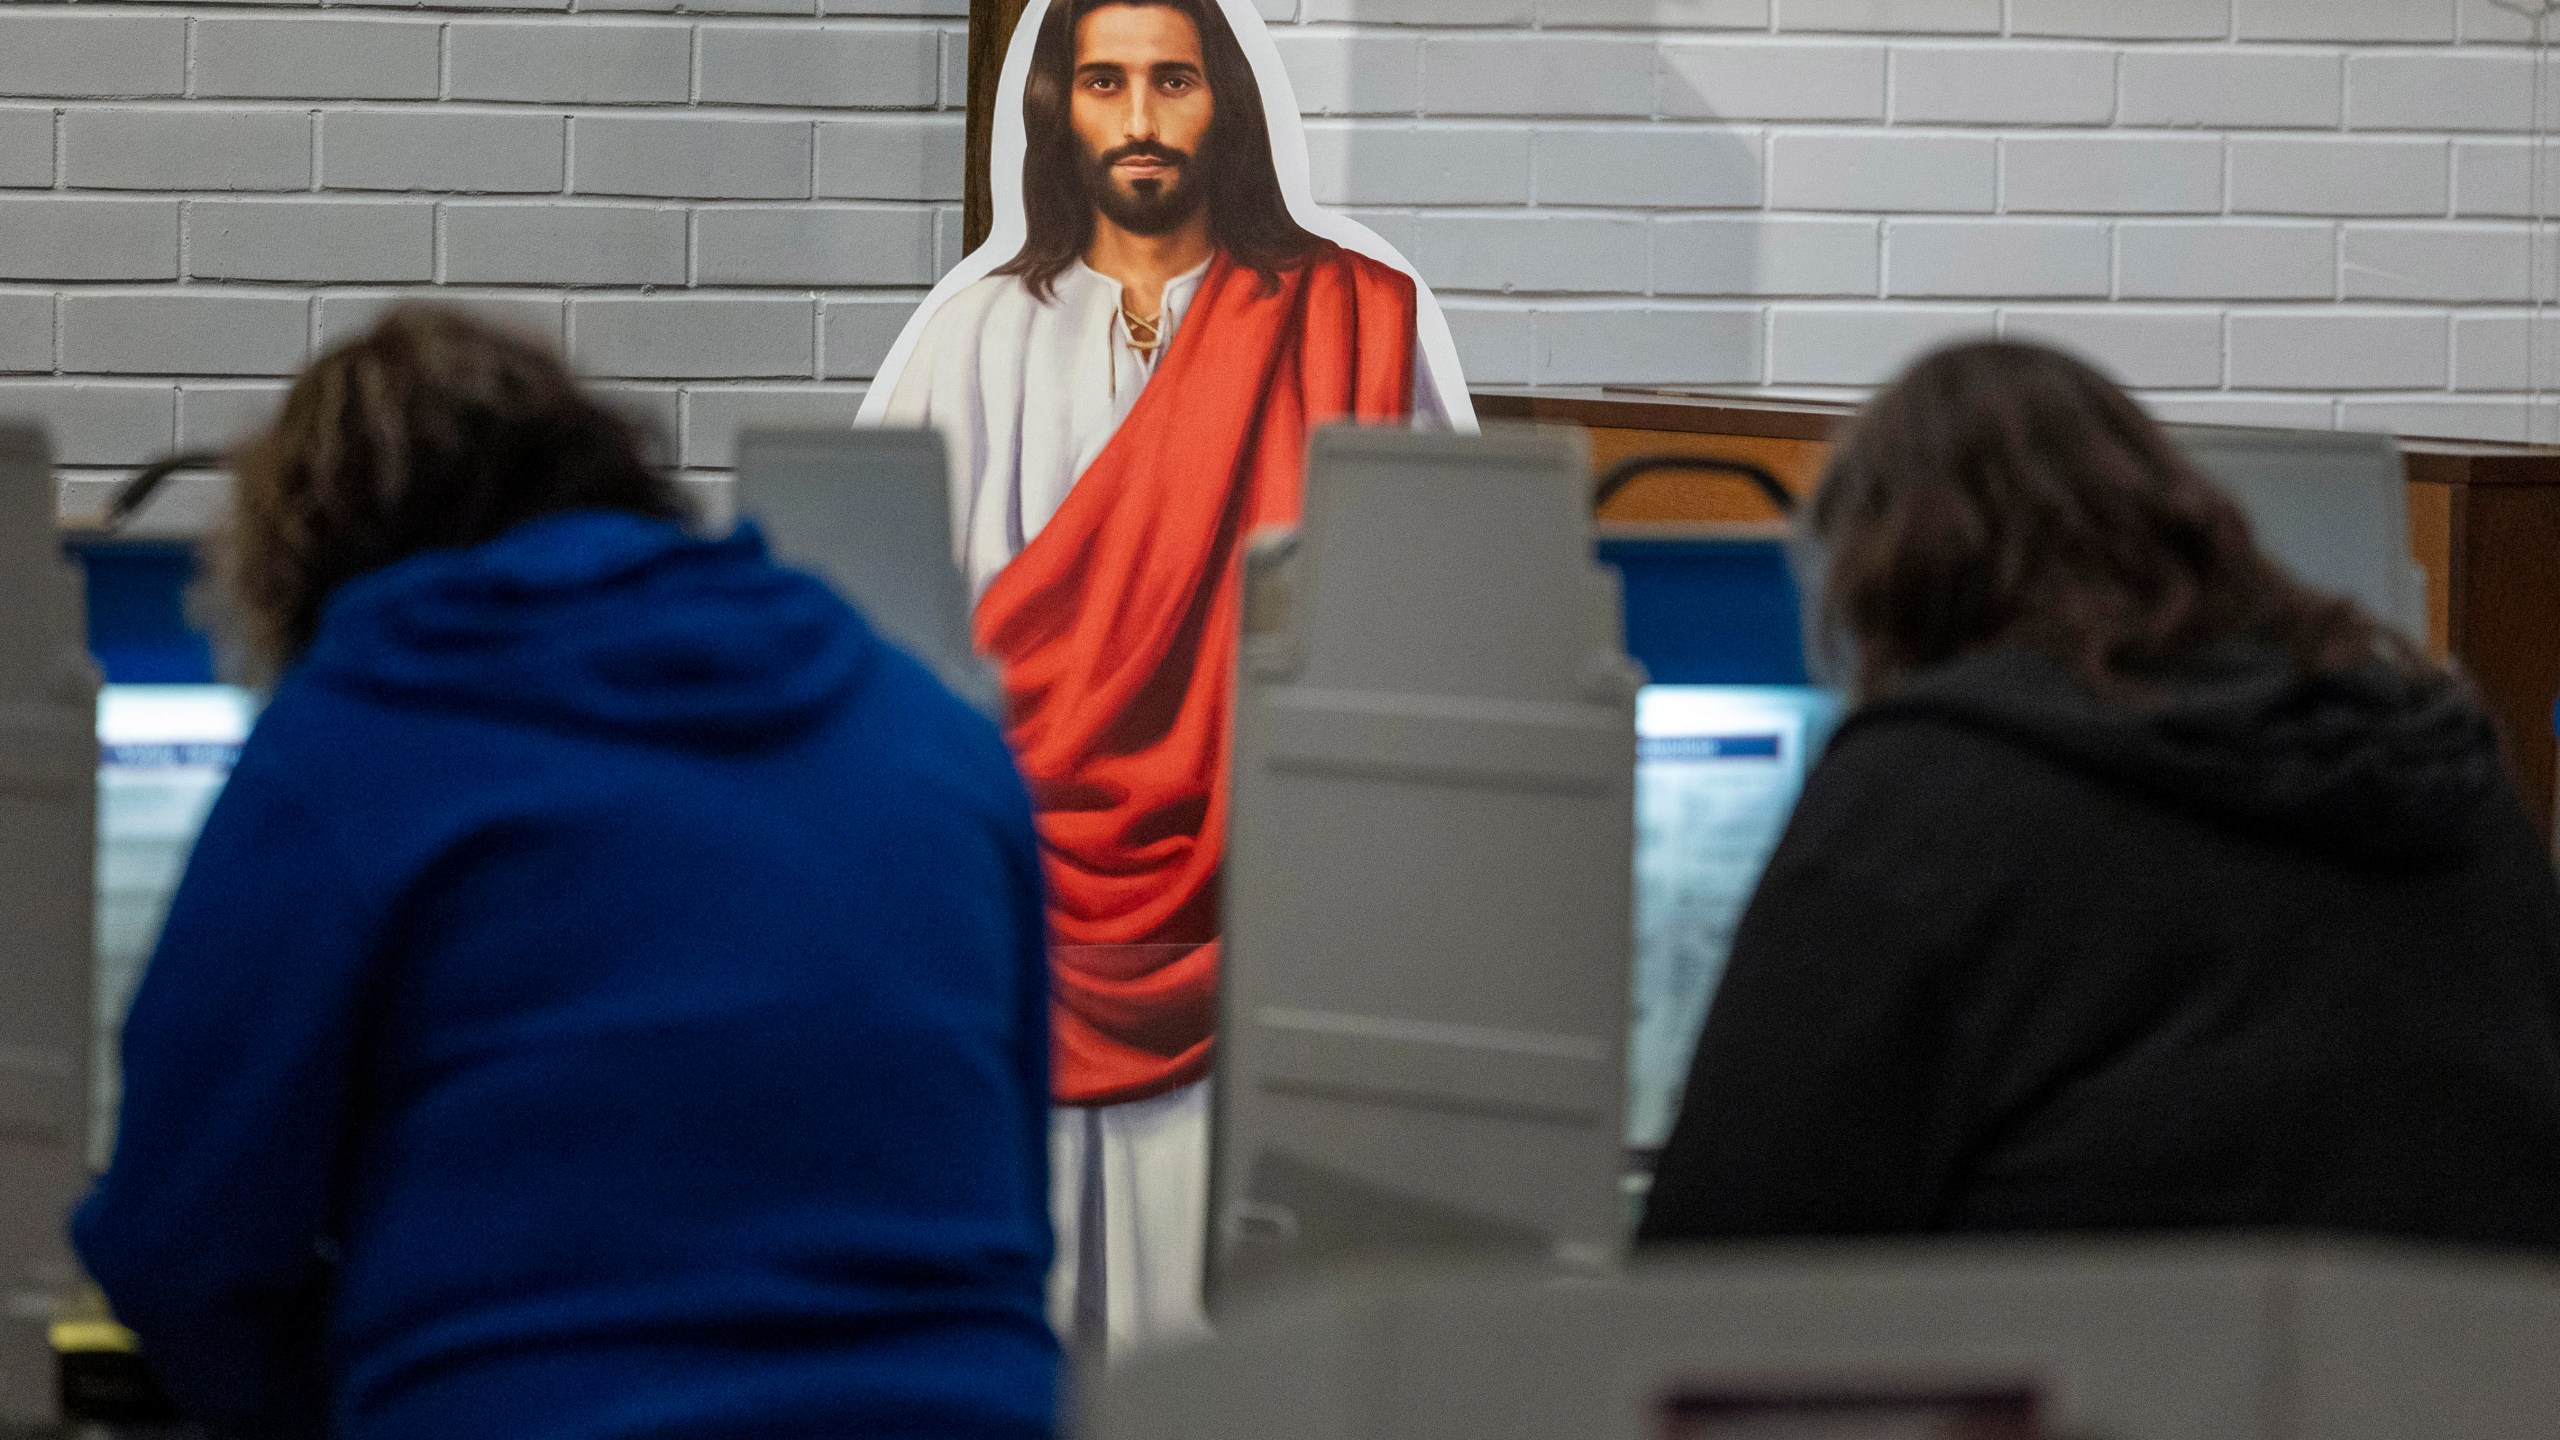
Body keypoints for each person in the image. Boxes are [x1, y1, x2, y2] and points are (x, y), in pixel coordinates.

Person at [72, 306, 1059, 1440]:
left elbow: (176, 1244)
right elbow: (1013, 1210)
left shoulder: (359, 741)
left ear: (311, 560)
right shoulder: (936, 740)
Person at [1639, 340, 2560, 1251]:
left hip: (2108, 1385)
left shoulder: (1928, 793)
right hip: (2469, 1386)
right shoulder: (2444, 770)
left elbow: (1721, 1250)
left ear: (1894, 584)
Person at [870, 0, 1458, 1348]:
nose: (1138, 120)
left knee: (1233, 1328)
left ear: (1229, 101)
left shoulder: (1351, 318)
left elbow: (1422, 606)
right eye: (1106, 83)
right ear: (1058, 108)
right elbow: (899, 639)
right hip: (1028, 900)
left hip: (1270, 893)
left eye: (1173, 81)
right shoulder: (971, 339)